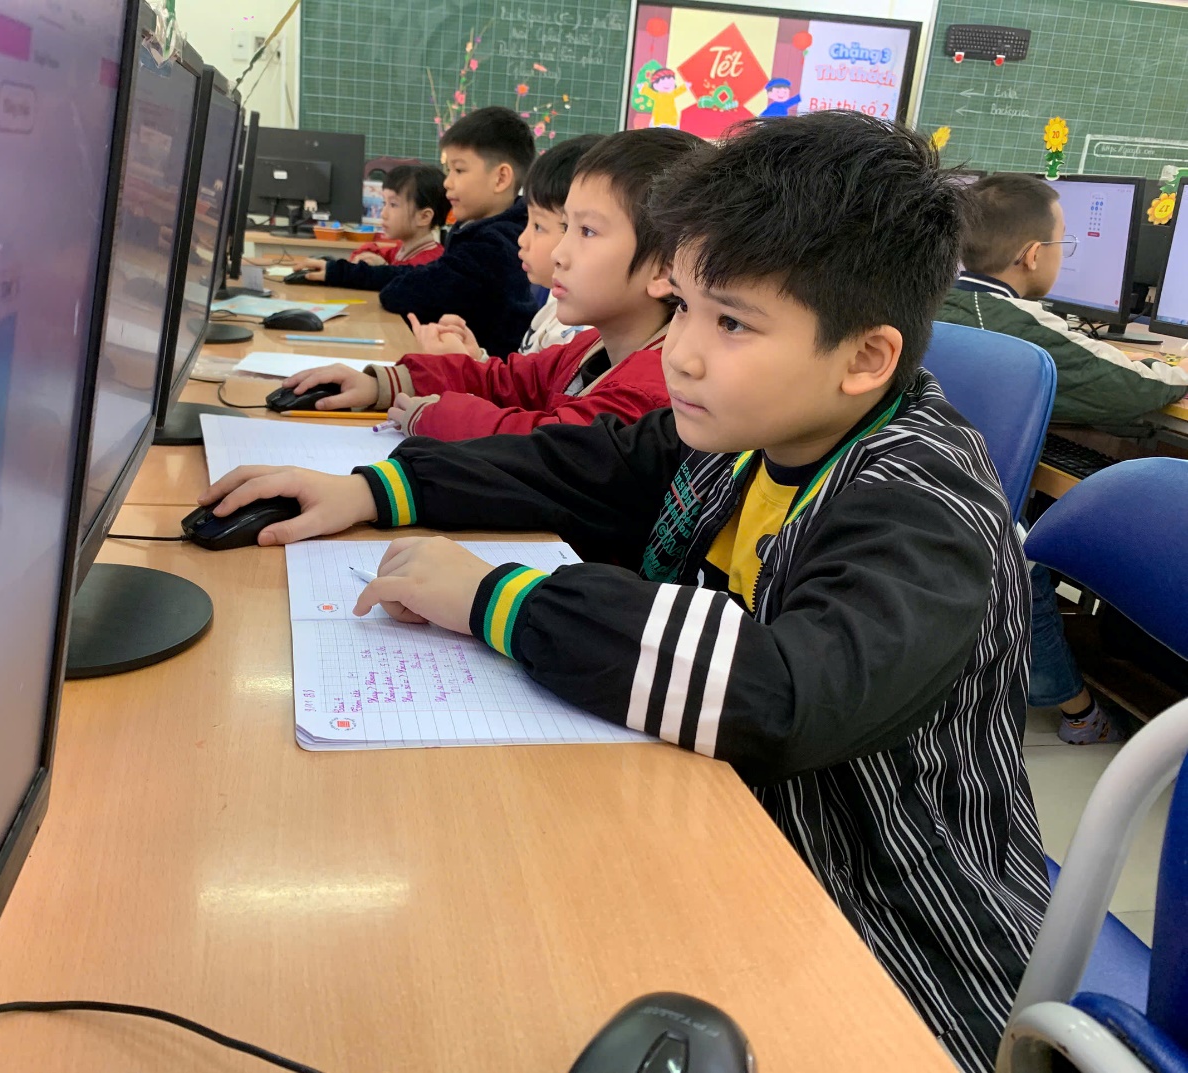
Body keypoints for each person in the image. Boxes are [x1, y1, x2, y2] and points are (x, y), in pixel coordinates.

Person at [200, 112, 1049, 1072]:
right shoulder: (753, 431)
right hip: (721, 827)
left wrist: (498, 601)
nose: (680, 352)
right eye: (683, 307)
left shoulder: (924, 507)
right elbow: (585, 462)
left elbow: (782, 692)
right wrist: (375, 489)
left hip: (887, 919)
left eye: (732, 323)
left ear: (865, 358)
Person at [937, 172, 1188, 743]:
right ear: (1032, 255)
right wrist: (1173, 370)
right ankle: (1079, 713)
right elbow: (1130, 389)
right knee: (1022, 556)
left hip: (913, 480)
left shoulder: (928, 296)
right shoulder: (1013, 323)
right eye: (1062, 243)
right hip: (966, 511)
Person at [281, 128, 701, 439]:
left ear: (664, 270)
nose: (559, 252)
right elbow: (507, 380)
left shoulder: (656, 384)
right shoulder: (591, 346)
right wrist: (386, 383)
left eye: (586, 231)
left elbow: (552, 444)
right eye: (564, 227)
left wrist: (435, 416)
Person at [315, 106, 537, 358]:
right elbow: (425, 275)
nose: (447, 182)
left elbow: (402, 295)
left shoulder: (493, 245)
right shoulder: (483, 230)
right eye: (448, 170)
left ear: (501, 178)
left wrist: (350, 274)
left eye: (459, 170)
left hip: (482, 375)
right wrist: (338, 272)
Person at [408, 132, 604, 360]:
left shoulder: (578, 335)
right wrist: (476, 359)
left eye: (538, 226)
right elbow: (522, 381)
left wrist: (462, 366)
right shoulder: (555, 306)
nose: (522, 239)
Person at [293, 164, 448, 278]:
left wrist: (381, 270)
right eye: (384, 203)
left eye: (393, 205)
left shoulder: (433, 264)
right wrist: (368, 258)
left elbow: (403, 284)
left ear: (424, 217)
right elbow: (366, 250)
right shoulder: (400, 251)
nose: (383, 213)